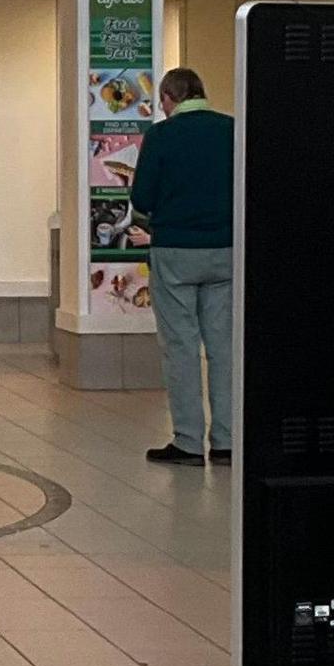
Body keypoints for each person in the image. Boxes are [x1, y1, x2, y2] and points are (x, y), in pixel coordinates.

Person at [125, 66, 236, 466]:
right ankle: (227, 442)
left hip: (175, 252)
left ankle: (188, 442)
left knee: (181, 347)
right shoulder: (232, 129)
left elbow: (143, 199)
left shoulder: (161, 135)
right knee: (224, 347)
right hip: (226, 250)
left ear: (170, 98)